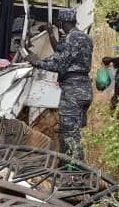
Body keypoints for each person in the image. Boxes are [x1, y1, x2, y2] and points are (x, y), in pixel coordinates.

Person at [26, 9, 93, 161]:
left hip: (73, 91)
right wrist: (51, 34)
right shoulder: (85, 38)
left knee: (68, 133)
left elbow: (59, 63)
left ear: (62, 23)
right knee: (75, 132)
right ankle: (76, 169)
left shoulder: (71, 38)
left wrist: (37, 62)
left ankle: (73, 170)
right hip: (84, 89)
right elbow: (62, 52)